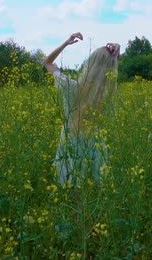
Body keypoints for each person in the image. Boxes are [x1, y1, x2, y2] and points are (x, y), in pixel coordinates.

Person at [44, 32, 120, 186]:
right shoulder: (108, 95)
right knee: (95, 191)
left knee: (71, 187)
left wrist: (66, 43)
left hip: (71, 142)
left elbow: (48, 63)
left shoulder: (70, 86)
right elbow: (110, 70)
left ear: (89, 63)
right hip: (95, 143)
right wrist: (115, 54)